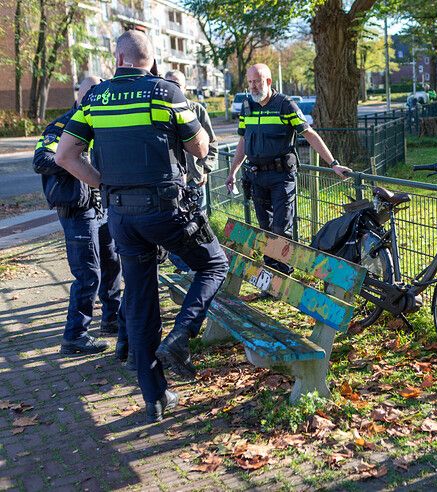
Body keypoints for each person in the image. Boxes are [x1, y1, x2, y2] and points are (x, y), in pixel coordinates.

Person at [55, 30, 228, 423]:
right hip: (167, 211)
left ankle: (155, 397)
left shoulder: (95, 98)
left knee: (139, 296)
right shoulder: (165, 92)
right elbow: (200, 148)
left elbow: (66, 155)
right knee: (214, 265)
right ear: (151, 60)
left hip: (121, 218)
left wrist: (105, 185)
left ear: (116, 58)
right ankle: (182, 336)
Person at [224, 63, 350, 274]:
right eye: (250, 82)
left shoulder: (285, 104)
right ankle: (270, 277)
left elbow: (309, 134)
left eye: (258, 81)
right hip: (256, 176)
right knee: (265, 229)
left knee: (281, 228)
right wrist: (233, 171)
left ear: (269, 81)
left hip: (281, 176)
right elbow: (243, 141)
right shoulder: (247, 106)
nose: (253, 86)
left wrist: (333, 164)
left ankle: (284, 275)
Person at [33, 76, 122, 356]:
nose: (95, 98)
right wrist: (75, 158)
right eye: (90, 93)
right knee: (88, 274)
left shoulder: (101, 121)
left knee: (112, 266)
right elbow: (41, 160)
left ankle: (111, 320)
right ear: (79, 94)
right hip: (76, 210)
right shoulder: (62, 125)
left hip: (102, 207)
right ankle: (75, 336)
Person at [163, 69, 217, 272]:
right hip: (171, 182)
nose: (173, 87)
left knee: (197, 224)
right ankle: (181, 266)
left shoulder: (197, 110)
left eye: (177, 84)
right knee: (174, 225)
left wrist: (204, 169)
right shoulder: (159, 113)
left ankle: (200, 266)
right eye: (169, 83)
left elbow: (211, 144)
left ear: (185, 88)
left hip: (194, 181)